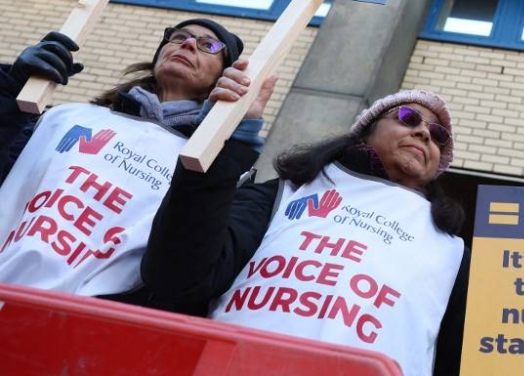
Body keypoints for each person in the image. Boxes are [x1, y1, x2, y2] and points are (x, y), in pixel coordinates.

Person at [142, 87, 470, 376]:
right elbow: (179, 275)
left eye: (438, 135)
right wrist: (222, 144)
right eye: (408, 117)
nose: (425, 133)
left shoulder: (453, 253)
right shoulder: (282, 195)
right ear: (365, 131)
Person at [0, 19, 263, 306]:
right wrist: (7, 93)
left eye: (208, 45)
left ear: (225, 75)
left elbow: (185, 267)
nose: (187, 44)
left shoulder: (215, 169)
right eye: (178, 37)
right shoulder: (70, 117)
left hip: (79, 319)